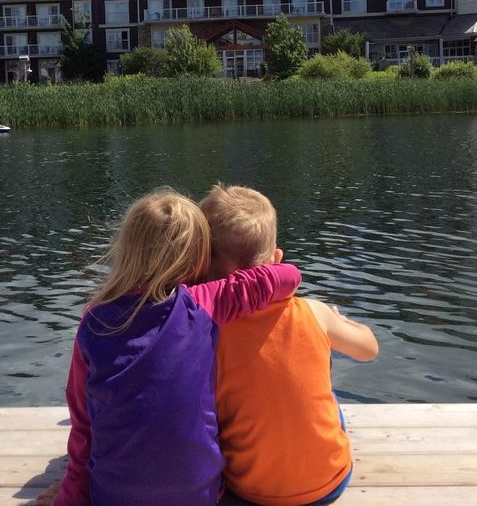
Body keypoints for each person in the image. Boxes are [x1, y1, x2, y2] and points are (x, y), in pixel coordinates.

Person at [48, 188, 302, 506]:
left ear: (127, 250)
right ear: (198, 258)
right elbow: (288, 276)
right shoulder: (205, 302)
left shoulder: (94, 320)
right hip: (199, 496)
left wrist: (70, 497)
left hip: (115, 496)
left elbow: (83, 423)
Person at [199, 184, 379, 506]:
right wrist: (339, 321)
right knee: (326, 391)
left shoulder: (204, 330)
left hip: (248, 492)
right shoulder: (314, 312)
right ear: (277, 259)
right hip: (328, 484)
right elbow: (369, 349)